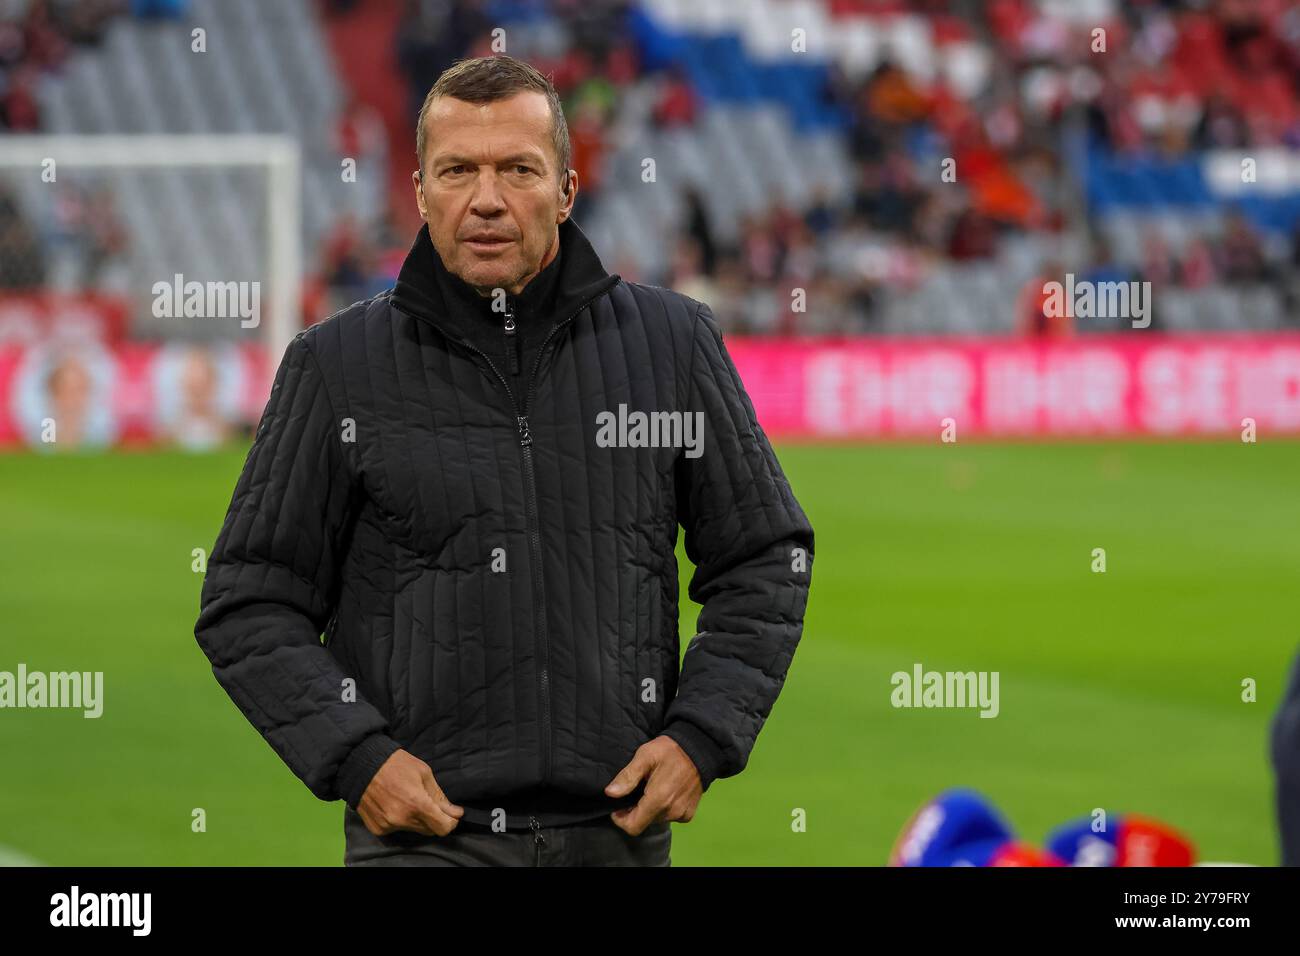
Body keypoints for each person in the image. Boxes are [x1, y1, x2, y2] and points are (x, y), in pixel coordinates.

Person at [193, 55, 814, 867]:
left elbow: (765, 556)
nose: (486, 198)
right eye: (458, 171)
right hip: (426, 841)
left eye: (518, 169)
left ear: (565, 188)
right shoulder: (336, 366)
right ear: (420, 192)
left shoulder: (672, 344)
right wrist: (355, 756)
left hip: (616, 838)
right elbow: (248, 599)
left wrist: (704, 734)